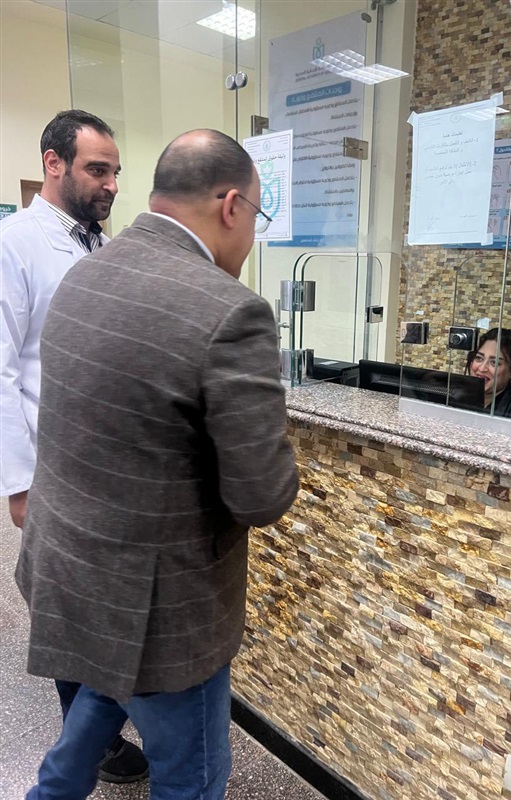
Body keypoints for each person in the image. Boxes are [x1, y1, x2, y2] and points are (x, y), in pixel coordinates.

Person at [17, 128, 299, 800]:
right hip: (158, 607)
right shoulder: (231, 311)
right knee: (193, 778)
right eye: (256, 217)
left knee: (91, 717)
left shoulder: (84, 272)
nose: (251, 236)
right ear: (231, 206)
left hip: (71, 567)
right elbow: (261, 496)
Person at [0, 109, 148, 783]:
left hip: (109, 470)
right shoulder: (15, 245)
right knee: (68, 616)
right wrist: (20, 483)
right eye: (97, 169)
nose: (111, 183)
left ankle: (100, 731)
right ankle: (93, 746)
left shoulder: (100, 245)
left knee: (102, 608)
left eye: (115, 171)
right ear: (53, 164)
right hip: (53, 471)